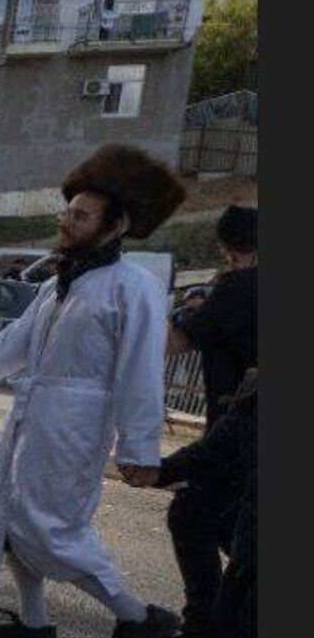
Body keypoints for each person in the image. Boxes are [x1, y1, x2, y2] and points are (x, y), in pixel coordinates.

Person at [0, 144, 187, 638]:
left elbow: (140, 371)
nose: (67, 222)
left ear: (116, 225)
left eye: (81, 216)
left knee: (52, 531)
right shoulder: (58, 286)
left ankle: (137, 619)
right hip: (29, 420)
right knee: (8, 517)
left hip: (75, 431)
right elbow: (9, 347)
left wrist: (139, 448)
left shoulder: (133, 286)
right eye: (67, 212)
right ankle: (35, 625)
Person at [161, 205, 257, 637]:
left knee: (197, 513)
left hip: (237, 434)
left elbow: (175, 343)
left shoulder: (239, 287)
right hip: (240, 431)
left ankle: (205, 622)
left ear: (229, 249)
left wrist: (179, 313)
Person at [126, 369, 256, 638]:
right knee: (191, 505)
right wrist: (157, 471)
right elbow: (209, 452)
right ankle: (202, 619)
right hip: (249, 542)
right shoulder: (255, 401)